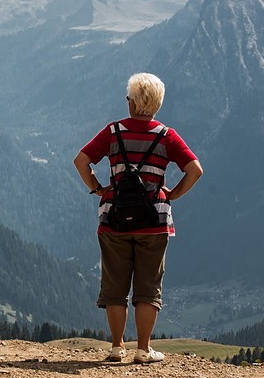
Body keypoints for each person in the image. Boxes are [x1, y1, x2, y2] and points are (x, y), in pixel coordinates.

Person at [73, 72, 203, 364]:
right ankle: (143, 350)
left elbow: (81, 161)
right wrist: (172, 194)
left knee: (115, 286)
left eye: (128, 98)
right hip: (154, 222)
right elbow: (195, 170)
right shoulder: (166, 136)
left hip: (114, 219)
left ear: (132, 103)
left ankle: (116, 347)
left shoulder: (113, 131)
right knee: (148, 288)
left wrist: (98, 188)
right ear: (156, 104)